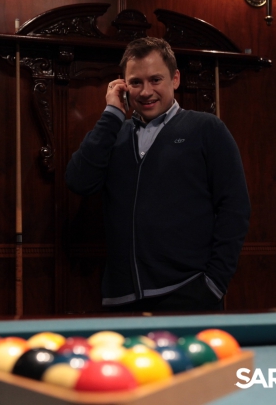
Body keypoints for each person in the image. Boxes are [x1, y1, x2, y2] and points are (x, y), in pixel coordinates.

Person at [65, 37, 250, 312]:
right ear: (123, 86)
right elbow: (78, 181)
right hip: (121, 299)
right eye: (136, 82)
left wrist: (214, 283)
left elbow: (235, 207)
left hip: (190, 293)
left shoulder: (206, 129)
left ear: (175, 79)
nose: (145, 91)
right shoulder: (113, 134)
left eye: (155, 80)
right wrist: (112, 114)